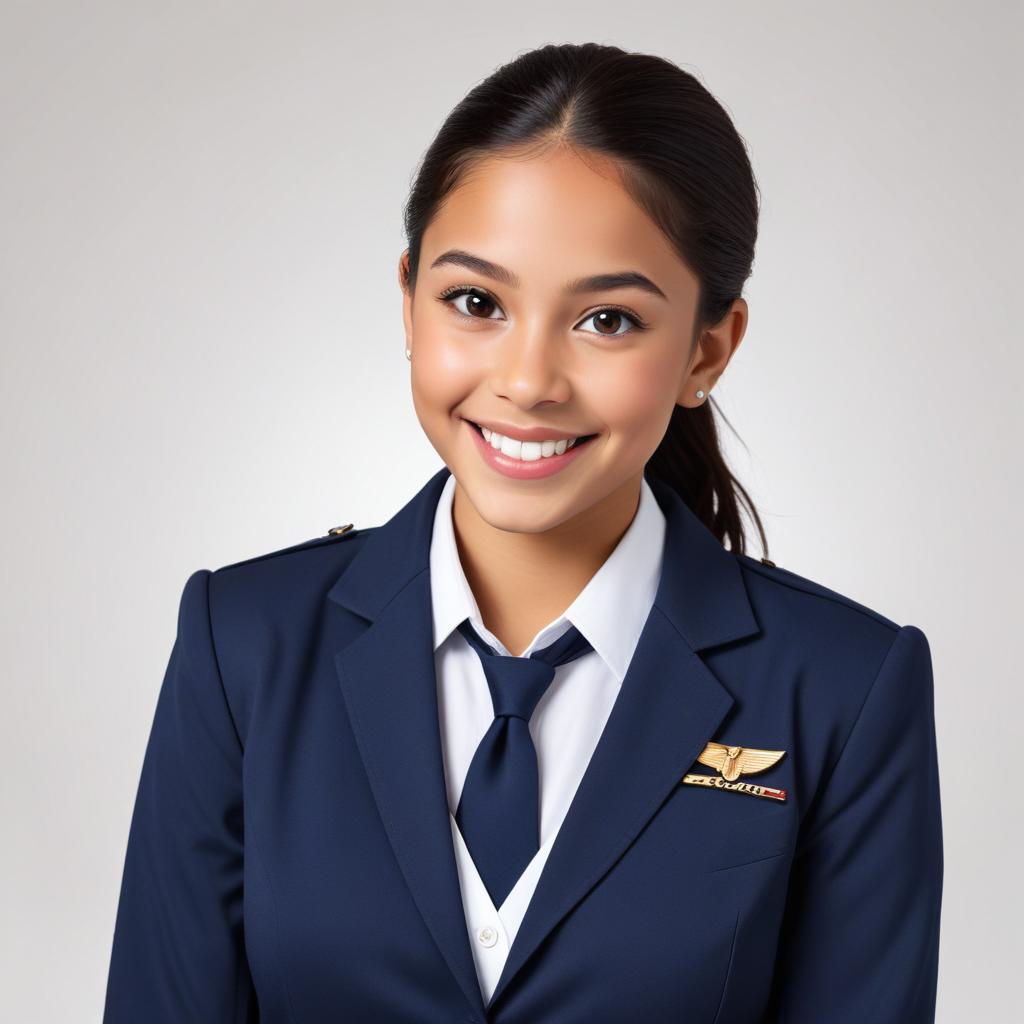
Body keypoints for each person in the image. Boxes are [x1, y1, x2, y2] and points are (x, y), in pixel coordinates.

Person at [102, 42, 943, 1023]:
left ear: (706, 349)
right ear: (409, 301)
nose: (529, 378)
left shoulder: (843, 688)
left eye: (608, 320)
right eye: (476, 302)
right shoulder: (242, 644)